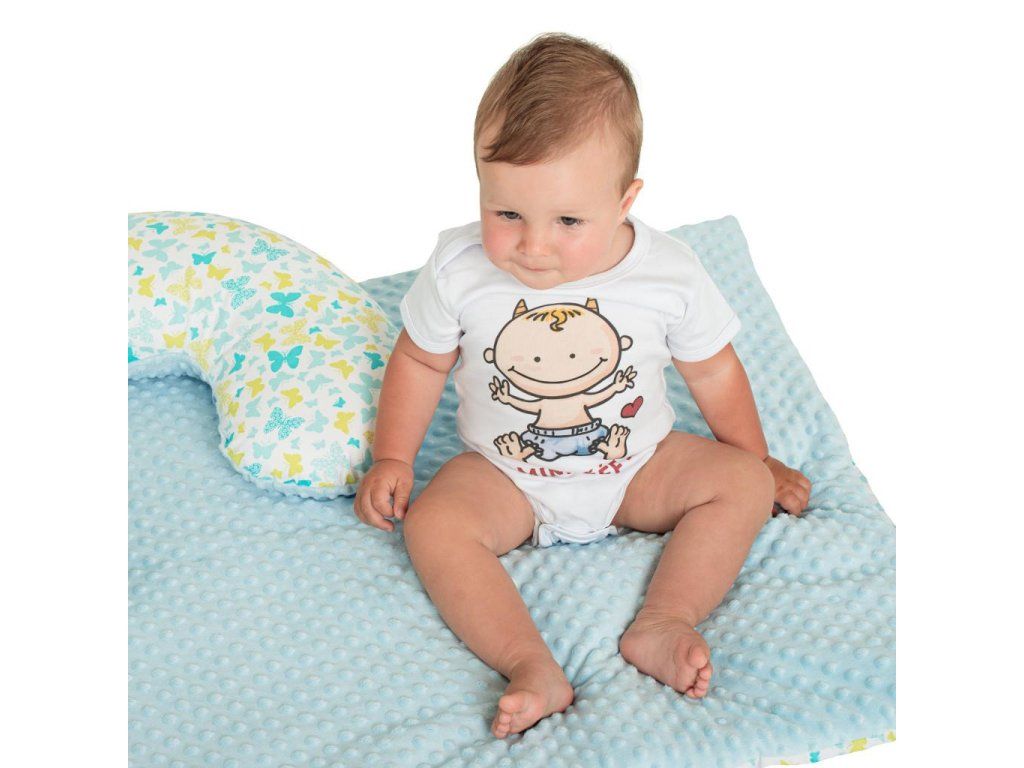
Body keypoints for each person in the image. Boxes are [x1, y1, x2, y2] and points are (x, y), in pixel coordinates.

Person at [354, 32, 812, 739]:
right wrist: (393, 457)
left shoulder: (667, 273)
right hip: (505, 475)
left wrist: (756, 456)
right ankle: (528, 664)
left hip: (639, 467)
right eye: (507, 214)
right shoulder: (459, 269)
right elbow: (419, 361)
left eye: (568, 220)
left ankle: (665, 621)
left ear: (625, 200)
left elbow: (714, 369)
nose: (533, 245)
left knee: (740, 484)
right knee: (436, 526)